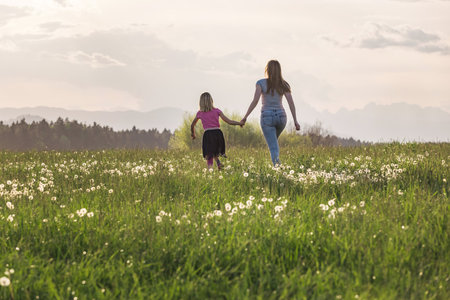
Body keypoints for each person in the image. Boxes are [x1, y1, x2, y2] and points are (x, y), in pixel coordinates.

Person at [241, 60, 300, 166]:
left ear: (267, 70)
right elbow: (291, 102)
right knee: (274, 144)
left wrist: (245, 117)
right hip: (281, 117)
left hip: (267, 117)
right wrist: (295, 120)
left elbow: (255, 101)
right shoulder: (284, 84)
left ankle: (278, 170)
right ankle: (274, 166)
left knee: (273, 147)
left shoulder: (260, 83)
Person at [191, 92, 243, 169]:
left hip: (208, 134)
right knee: (214, 151)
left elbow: (192, 124)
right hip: (218, 134)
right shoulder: (217, 111)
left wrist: (193, 134)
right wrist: (239, 123)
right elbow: (229, 121)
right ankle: (218, 164)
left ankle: (210, 170)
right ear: (211, 101)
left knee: (209, 154)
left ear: (200, 102)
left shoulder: (200, 113)